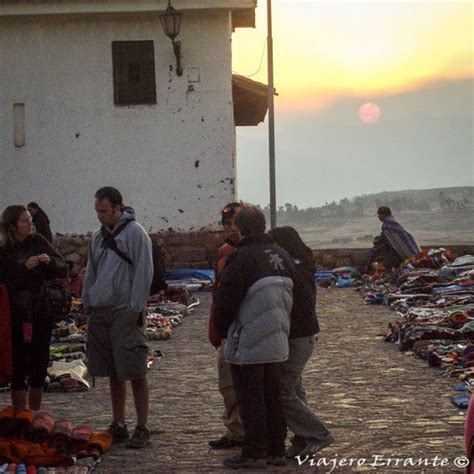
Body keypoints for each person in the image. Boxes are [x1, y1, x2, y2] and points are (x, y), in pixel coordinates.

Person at [213, 205, 295, 469]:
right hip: (278, 336)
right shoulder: (282, 255)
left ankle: (254, 452)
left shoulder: (243, 257)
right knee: (272, 396)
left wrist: (223, 329)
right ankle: (276, 450)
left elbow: (226, 300)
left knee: (250, 398)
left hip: (249, 337)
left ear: (243, 228)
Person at [82, 187, 153, 449]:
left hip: (125, 309)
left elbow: (144, 272)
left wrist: (135, 308)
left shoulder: (136, 234)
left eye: (104, 211)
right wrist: (88, 300)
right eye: (97, 212)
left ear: (117, 208)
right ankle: (119, 422)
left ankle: (142, 425)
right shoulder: (97, 238)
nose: (100, 216)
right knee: (113, 371)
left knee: (134, 369)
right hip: (101, 310)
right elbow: (92, 271)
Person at [269, 226, 334, 458]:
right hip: (300, 335)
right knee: (294, 388)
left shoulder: (294, 270)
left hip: (297, 336)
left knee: (282, 391)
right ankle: (301, 438)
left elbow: (300, 306)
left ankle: (317, 433)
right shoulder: (301, 265)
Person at [0, 205, 67, 410]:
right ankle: (20, 415)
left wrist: (50, 262)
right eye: (25, 221)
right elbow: (4, 281)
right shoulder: (4, 251)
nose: (30, 224)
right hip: (15, 313)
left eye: (31, 219)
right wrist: (22, 268)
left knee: (39, 363)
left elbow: (62, 267)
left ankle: (34, 413)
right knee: (18, 364)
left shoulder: (38, 241)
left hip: (40, 310)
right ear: (12, 226)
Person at [208, 202, 244, 450]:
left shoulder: (250, 252)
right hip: (226, 326)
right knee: (227, 384)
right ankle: (236, 430)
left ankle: (245, 431)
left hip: (245, 326)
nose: (230, 228)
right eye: (226, 224)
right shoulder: (224, 253)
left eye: (234, 223)